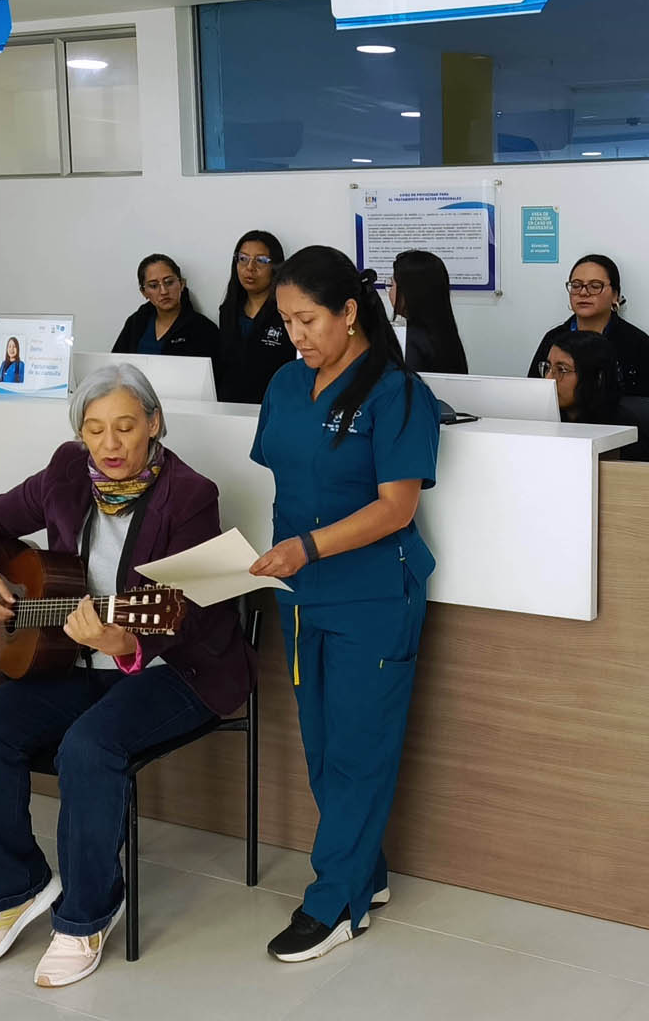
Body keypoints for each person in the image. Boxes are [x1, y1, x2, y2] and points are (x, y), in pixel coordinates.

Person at [0, 362, 254, 989]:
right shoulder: (66, 473)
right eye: (95, 430)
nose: (110, 446)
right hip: (76, 661)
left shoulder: (190, 496)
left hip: (178, 667)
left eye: (125, 427)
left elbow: (190, 614)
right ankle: (11, 891)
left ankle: (86, 914)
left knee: (90, 746)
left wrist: (126, 642)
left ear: (154, 424)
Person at [247, 245, 440, 963]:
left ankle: (333, 904)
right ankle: (368, 872)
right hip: (299, 595)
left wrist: (308, 547)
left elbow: (395, 508)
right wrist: (281, 559)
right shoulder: (283, 385)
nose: (296, 336)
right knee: (324, 747)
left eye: (307, 320)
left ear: (350, 313)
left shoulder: (397, 393)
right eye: (287, 321)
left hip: (371, 597)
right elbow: (287, 479)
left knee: (359, 750)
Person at [524, 255, 649, 401]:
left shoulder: (635, 342)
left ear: (615, 295)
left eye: (595, 286)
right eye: (576, 285)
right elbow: (534, 395)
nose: (583, 293)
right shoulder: (554, 338)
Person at [216, 230, 299, 403]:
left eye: (261, 261)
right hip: (229, 410)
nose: (250, 268)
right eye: (243, 259)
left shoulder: (287, 312)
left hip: (275, 405)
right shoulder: (228, 311)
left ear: (276, 266)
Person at [110, 254, 219, 360]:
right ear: (144, 292)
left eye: (169, 282)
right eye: (153, 285)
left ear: (182, 284)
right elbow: (115, 367)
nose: (163, 291)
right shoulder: (135, 323)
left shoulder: (203, 329)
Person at [390, 250, 469, 375]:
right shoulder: (444, 332)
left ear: (409, 292)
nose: (390, 292)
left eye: (392, 285)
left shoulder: (411, 340)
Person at [540, 330, 623, 425]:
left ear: (597, 377)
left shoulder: (621, 429)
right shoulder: (541, 419)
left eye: (562, 369)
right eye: (548, 367)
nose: (549, 378)